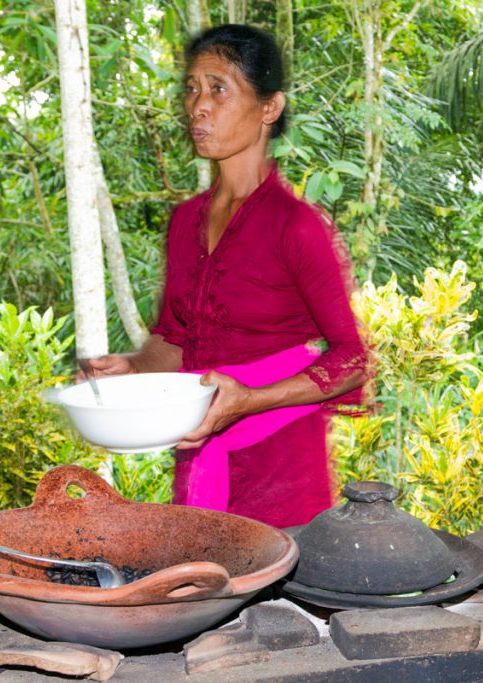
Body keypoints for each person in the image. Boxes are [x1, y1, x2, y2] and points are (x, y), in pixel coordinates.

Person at [85, 24, 369, 528]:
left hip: (281, 475)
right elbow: (175, 340)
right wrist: (132, 369)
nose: (197, 106)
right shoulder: (184, 222)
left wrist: (250, 400)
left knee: (275, 603)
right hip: (199, 459)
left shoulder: (297, 226)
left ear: (269, 108)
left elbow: (352, 360)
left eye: (219, 89)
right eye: (191, 88)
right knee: (206, 593)